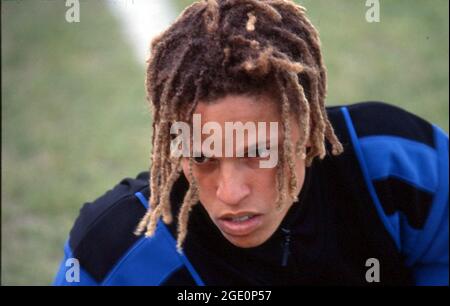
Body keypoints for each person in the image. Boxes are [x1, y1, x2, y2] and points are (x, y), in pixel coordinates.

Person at [54, 0, 448, 286]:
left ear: (308, 129)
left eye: (259, 152)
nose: (231, 192)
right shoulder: (111, 254)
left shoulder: (401, 165)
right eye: (202, 156)